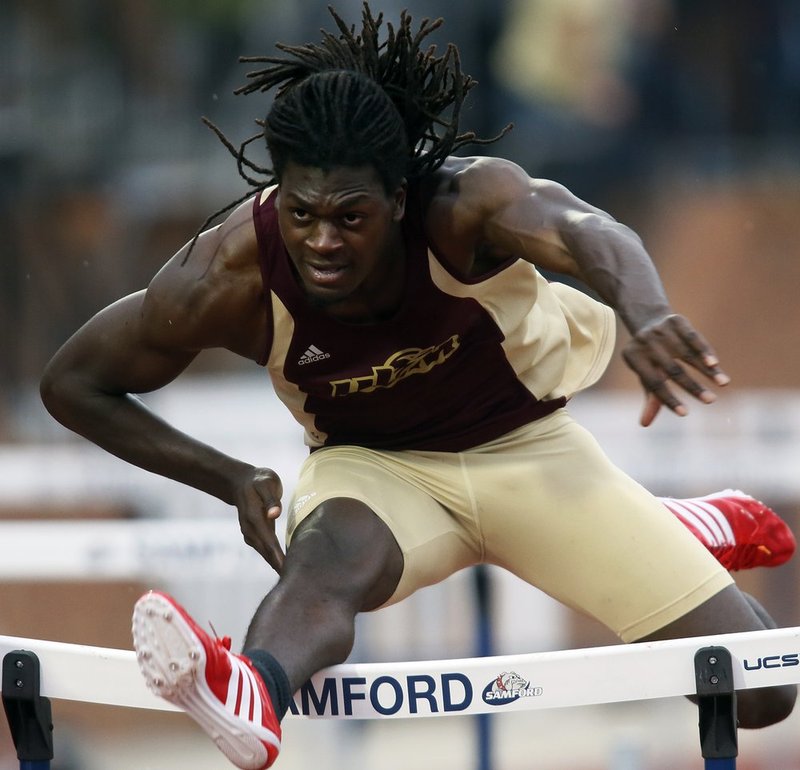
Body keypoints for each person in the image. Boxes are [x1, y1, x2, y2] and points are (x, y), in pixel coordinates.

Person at [39, 5, 796, 769]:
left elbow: (588, 231)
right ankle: (252, 691)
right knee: (328, 555)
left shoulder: (462, 205)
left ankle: (674, 528)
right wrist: (227, 476)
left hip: (530, 453)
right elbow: (74, 384)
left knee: (762, 691)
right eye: (301, 214)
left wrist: (647, 310)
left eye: (351, 217)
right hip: (376, 467)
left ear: (398, 199)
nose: (323, 242)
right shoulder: (222, 276)